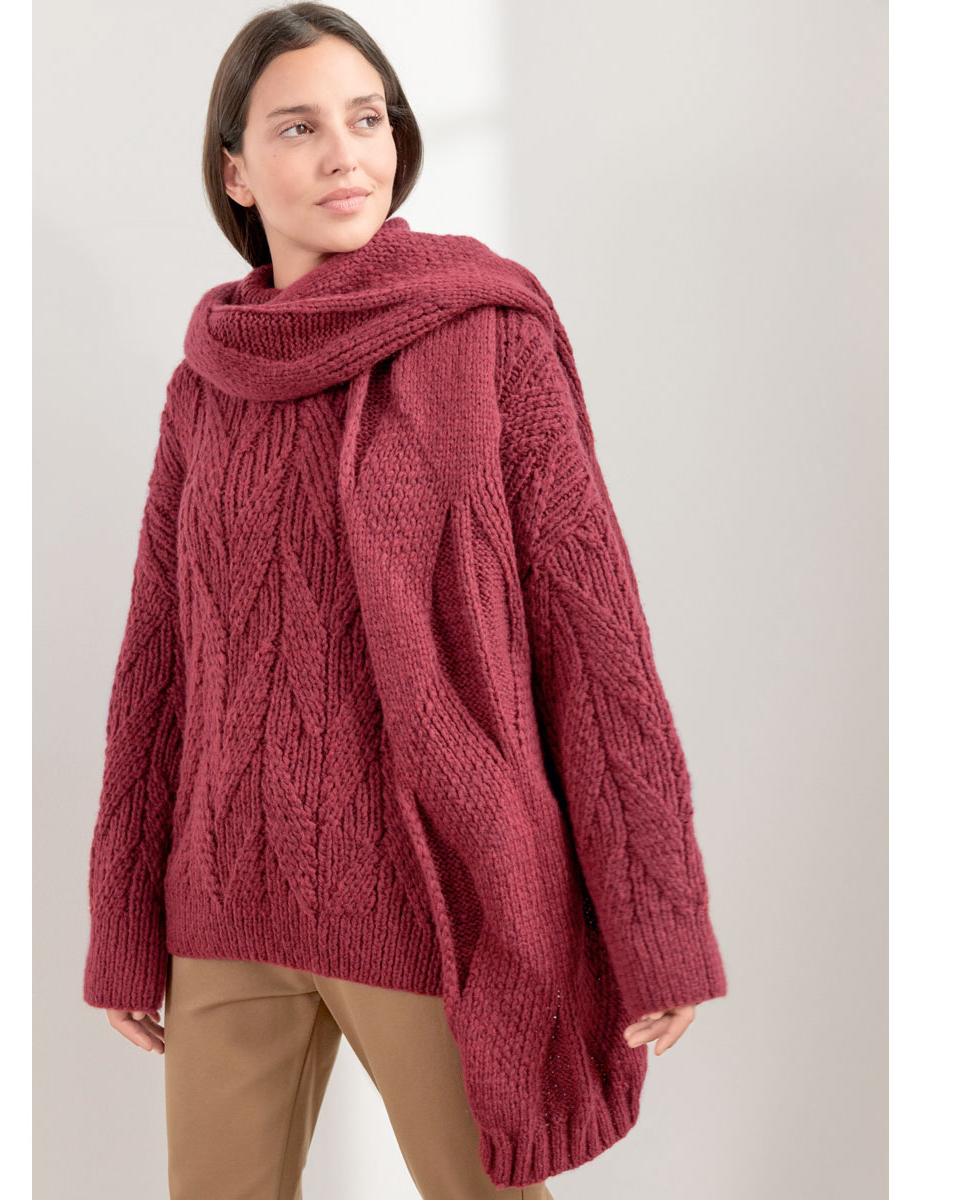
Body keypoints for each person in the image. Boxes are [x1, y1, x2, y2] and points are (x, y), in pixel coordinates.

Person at [81, 4, 729, 1198]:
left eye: (366, 119)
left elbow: (593, 635)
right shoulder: (204, 384)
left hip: (431, 901)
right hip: (226, 903)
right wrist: (124, 919)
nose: (346, 155)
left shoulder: (489, 338)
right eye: (298, 127)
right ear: (235, 171)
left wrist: (656, 917)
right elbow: (157, 661)